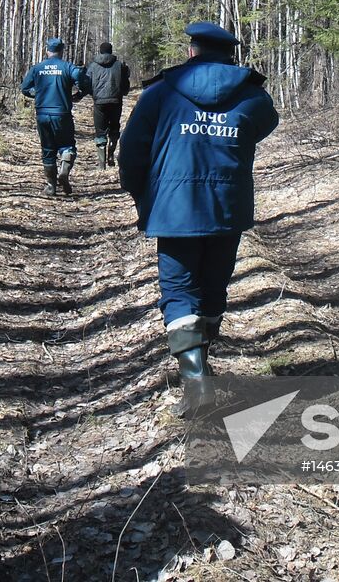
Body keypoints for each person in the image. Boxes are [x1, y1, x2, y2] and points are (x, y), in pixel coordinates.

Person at [118, 22, 279, 416]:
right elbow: (265, 125)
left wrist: (144, 195)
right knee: (212, 288)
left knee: (179, 292)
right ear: (230, 56)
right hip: (227, 207)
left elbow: (131, 151)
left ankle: (196, 380)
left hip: (175, 210)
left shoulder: (160, 93)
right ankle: (202, 367)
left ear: (192, 51)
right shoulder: (252, 96)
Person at [20, 37, 91, 195]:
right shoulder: (67, 67)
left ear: (47, 50)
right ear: (62, 51)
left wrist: (37, 94)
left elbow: (24, 88)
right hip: (62, 114)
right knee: (67, 145)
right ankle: (64, 171)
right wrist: (79, 93)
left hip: (42, 114)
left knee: (47, 149)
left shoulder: (37, 68)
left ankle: (51, 186)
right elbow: (81, 77)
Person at [84, 41, 132, 169]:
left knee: (100, 131)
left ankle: (101, 163)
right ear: (111, 51)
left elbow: (87, 83)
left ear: (100, 51)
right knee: (114, 128)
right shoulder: (119, 65)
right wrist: (123, 92)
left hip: (99, 102)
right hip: (116, 101)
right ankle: (111, 153)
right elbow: (125, 85)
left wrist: (91, 93)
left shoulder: (93, 66)